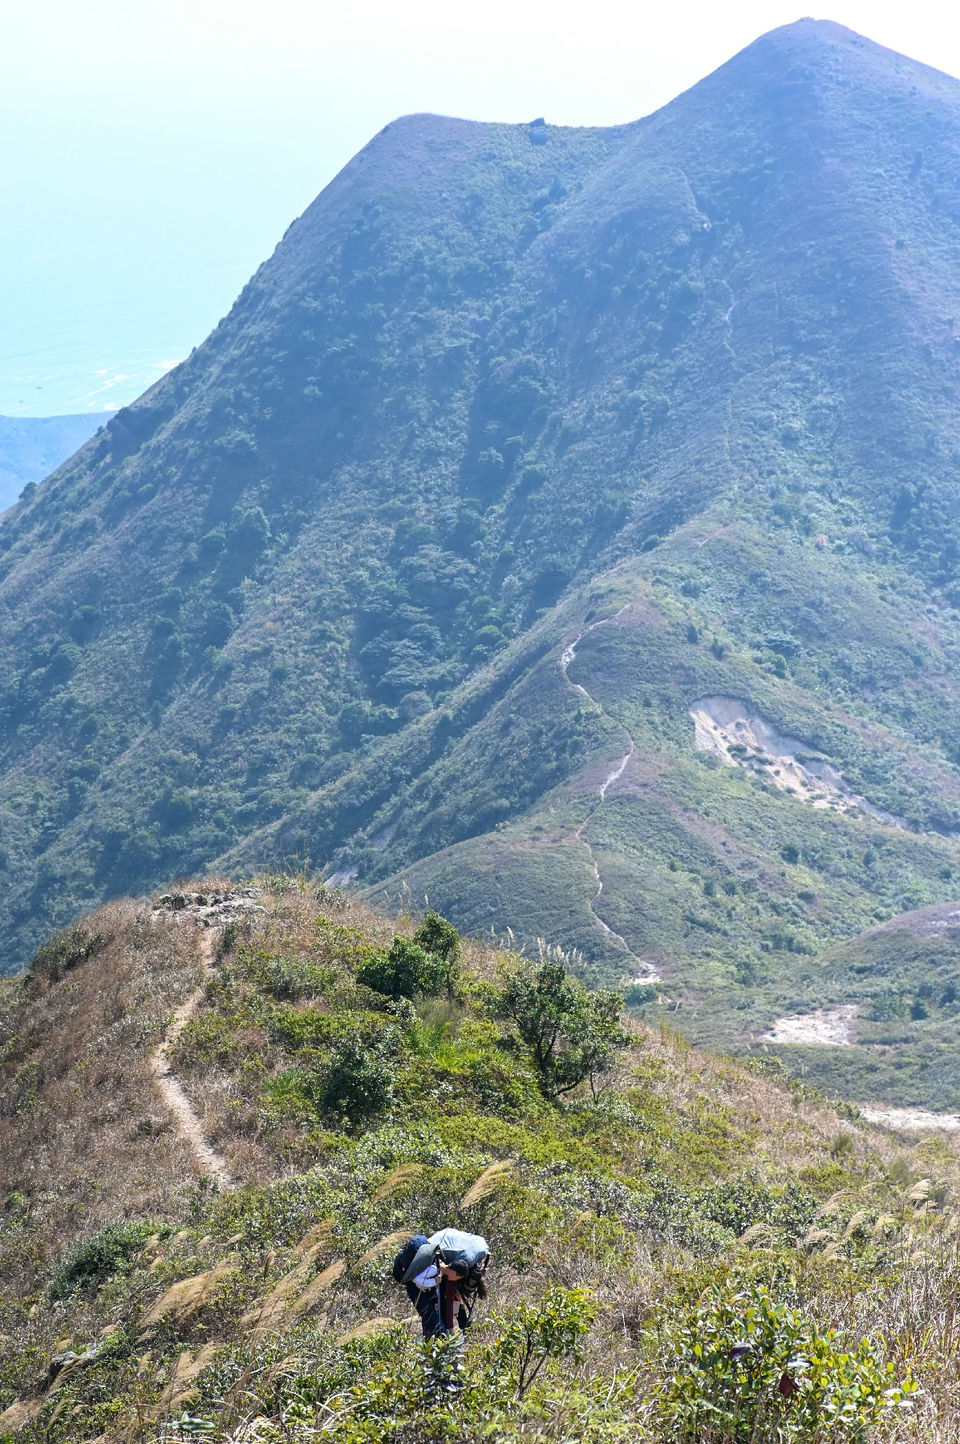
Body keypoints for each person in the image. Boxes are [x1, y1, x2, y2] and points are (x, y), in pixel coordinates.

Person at [394, 1227, 489, 1340]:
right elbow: (450, 1300)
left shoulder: (468, 1263)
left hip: (432, 1279)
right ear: (457, 1275)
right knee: (431, 1315)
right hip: (417, 1284)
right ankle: (435, 1343)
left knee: (447, 1307)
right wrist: (449, 1329)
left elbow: (453, 1301)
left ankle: (459, 1332)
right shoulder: (439, 1269)